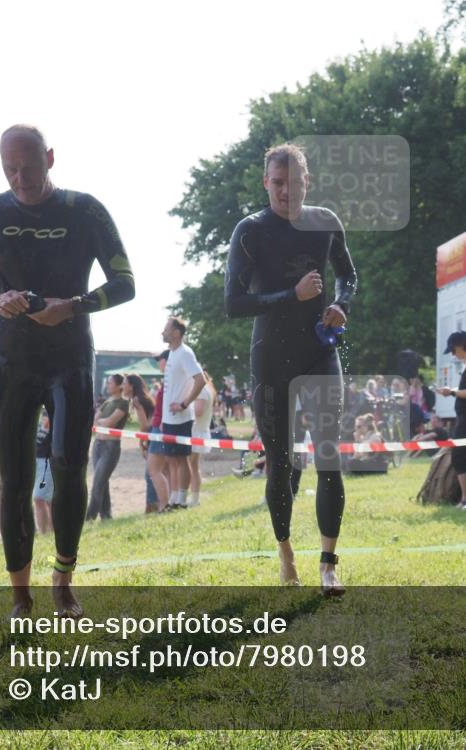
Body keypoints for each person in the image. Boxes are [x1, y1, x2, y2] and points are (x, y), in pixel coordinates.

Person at [0, 124, 136, 617]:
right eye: (10, 169)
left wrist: (75, 304)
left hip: (70, 357)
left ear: (50, 158)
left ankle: (63, 580)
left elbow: (127, 282)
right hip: (13, 363)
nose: (20, 178)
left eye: (28, 167)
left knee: (70, 469)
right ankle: (20, 594)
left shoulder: (83, 209)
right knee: (15, 479)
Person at [224, 142, 357, 594]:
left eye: (295, 182)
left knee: (328, 456)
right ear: (266, 183)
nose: (286, 191)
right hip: (270, 356)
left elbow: (348, 275)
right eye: (278, 183)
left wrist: (339, 304)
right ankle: (286, 555)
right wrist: (292, 296)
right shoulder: (250, 231)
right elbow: (234, 303)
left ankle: (328, 564)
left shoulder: (325, 223)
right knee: (280, 464)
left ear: (308, 182)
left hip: (319, 352)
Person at [159, 317, 206, 510]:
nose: (163, 332)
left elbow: (200, 380)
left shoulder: (185, 353)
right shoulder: (172, 353)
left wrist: (184, 404)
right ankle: (174, 498)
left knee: (182, 458)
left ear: (176, 333)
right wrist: (163, 418)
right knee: (172, 459)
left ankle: (181, 500)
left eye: (166, 329)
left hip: (182, 418)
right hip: (169, 419)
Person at [437, 331, 466, 507]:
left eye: (453, 350)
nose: (452, 354)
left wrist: (453, 392)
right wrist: (451, 390)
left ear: (460, 346)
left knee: (459, 454)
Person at [86, 374, 129, 522]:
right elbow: (95, 420)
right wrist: (100, 421)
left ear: (118, 386)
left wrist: (100, 421)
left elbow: (110, 422)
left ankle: (89, 517)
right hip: (98, 444)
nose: (107, 385)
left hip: (110, 446)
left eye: (110, 383)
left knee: (98, 482)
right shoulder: (106, 402)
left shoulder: (123, 403)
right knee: (102, 481)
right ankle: (106, 515)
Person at [122, 374, 158, 513]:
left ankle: (151, 507)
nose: (122, 386)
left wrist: (142, 443)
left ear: (131, 386)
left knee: (150, 474)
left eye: (124, 383)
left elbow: (144, 426)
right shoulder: (143, 398)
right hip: (154, 434)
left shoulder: (137, 400)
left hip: (151, 436)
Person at [146, 350, 171, 513]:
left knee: (154, 470)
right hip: (161, 426)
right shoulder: (169, 379)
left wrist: (162, 421)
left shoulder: (170, 379)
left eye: (160, 360)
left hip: (160, 427)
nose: (158, 363)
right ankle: (168, 503)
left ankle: (164, 505)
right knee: (165, 469)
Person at [188, 370, 217, 508]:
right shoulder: (208, 390)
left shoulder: (201, 390)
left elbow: (198, 412)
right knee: (194, 466)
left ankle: (191, 497)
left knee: (189, 466)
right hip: (199, 431)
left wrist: (184, 408)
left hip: (195, 431)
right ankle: (194, 498)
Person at [32, 411, 54, 534]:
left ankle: (49, 534)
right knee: (45, 500)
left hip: (48, 460)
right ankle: (46, 534)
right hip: (34, 458)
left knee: (40, 498)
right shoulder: (41, 410)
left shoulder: (56, 407)